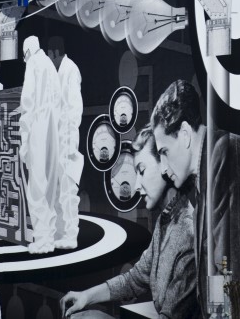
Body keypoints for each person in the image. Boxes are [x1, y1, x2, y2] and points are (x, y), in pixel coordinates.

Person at [60, 127, 200, 318]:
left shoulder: (188, 234)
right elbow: (134, 279)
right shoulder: (165, 221)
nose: (136, 186)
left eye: (142, 171)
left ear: (165, 166)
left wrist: (101, 318)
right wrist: (86, 297)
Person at [151, 79, 240, 314]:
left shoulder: (223, 154)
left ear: (184, 134)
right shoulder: (202, 178)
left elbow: (228, 270)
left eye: (164, 152)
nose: (162, 167)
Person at [20, 36, 64, 253]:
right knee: (50, 185)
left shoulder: (33, 66)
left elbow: (27, 104)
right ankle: (52, 235)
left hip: (38, 128)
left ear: (27, 51)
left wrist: (24, 141)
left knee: (36, 186)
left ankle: (43, 240)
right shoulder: (49, 64)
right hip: (53, 130)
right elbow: (58, 100)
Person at [50, 35, 84, 250]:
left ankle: (70, 235)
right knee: (55, 190)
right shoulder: (56, 72)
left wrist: (70, 146)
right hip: (56, 142)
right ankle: (58, 232)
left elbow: (74, 110)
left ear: (54, 53)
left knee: (68, 192)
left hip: (68, 142)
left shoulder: (71, 70)